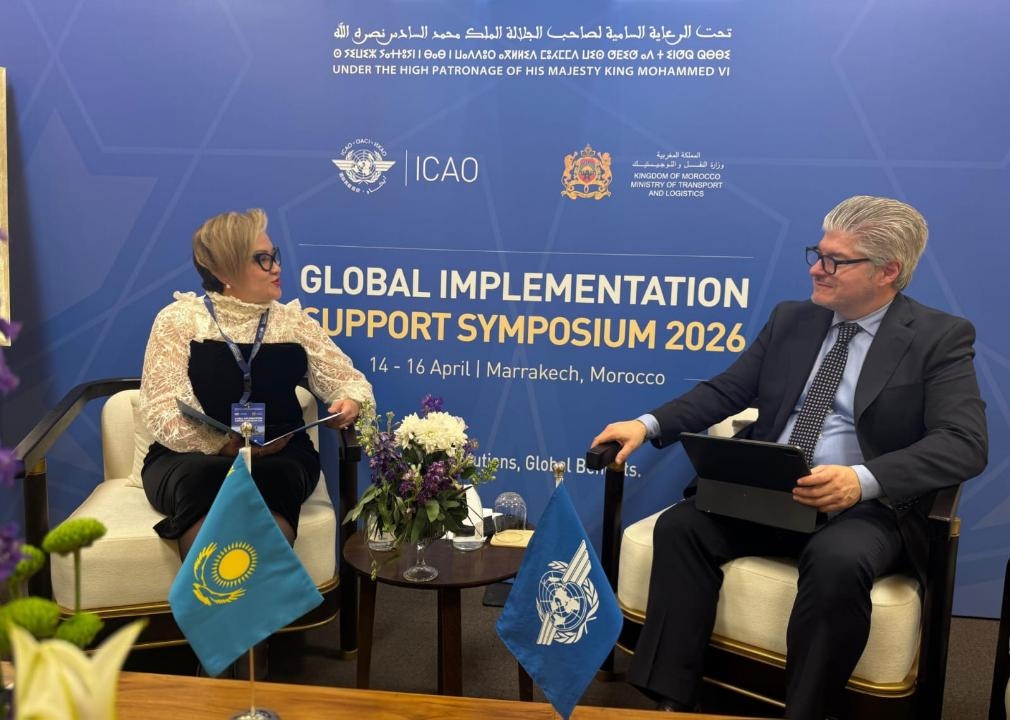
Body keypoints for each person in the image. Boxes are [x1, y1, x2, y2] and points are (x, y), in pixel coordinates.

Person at [591, 196, 987, 719]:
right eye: (817, 254)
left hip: (864, 508)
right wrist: (646, 424)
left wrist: (862, 479)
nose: (816, 269)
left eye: (835, 261)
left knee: (837, 562)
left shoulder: (939, 338)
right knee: (683, 527)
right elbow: (728, 390)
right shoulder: (792, 319)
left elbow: (964, 440)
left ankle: (807, 711)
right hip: (772, 491)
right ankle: (673, 699)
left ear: (888, 271)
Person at [140, 208, 373, 561]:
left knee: (272, 478)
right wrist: (220, 445)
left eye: (274, 256)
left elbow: (348, 381)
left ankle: (235, 595)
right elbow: (161, 408)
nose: (276, 267)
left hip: (279, 455)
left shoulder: (293, 322)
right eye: (262, 260)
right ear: (223, 271)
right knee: (209, 479)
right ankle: (232, 594)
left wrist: (349, 402)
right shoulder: (180, 320)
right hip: (192, 456)